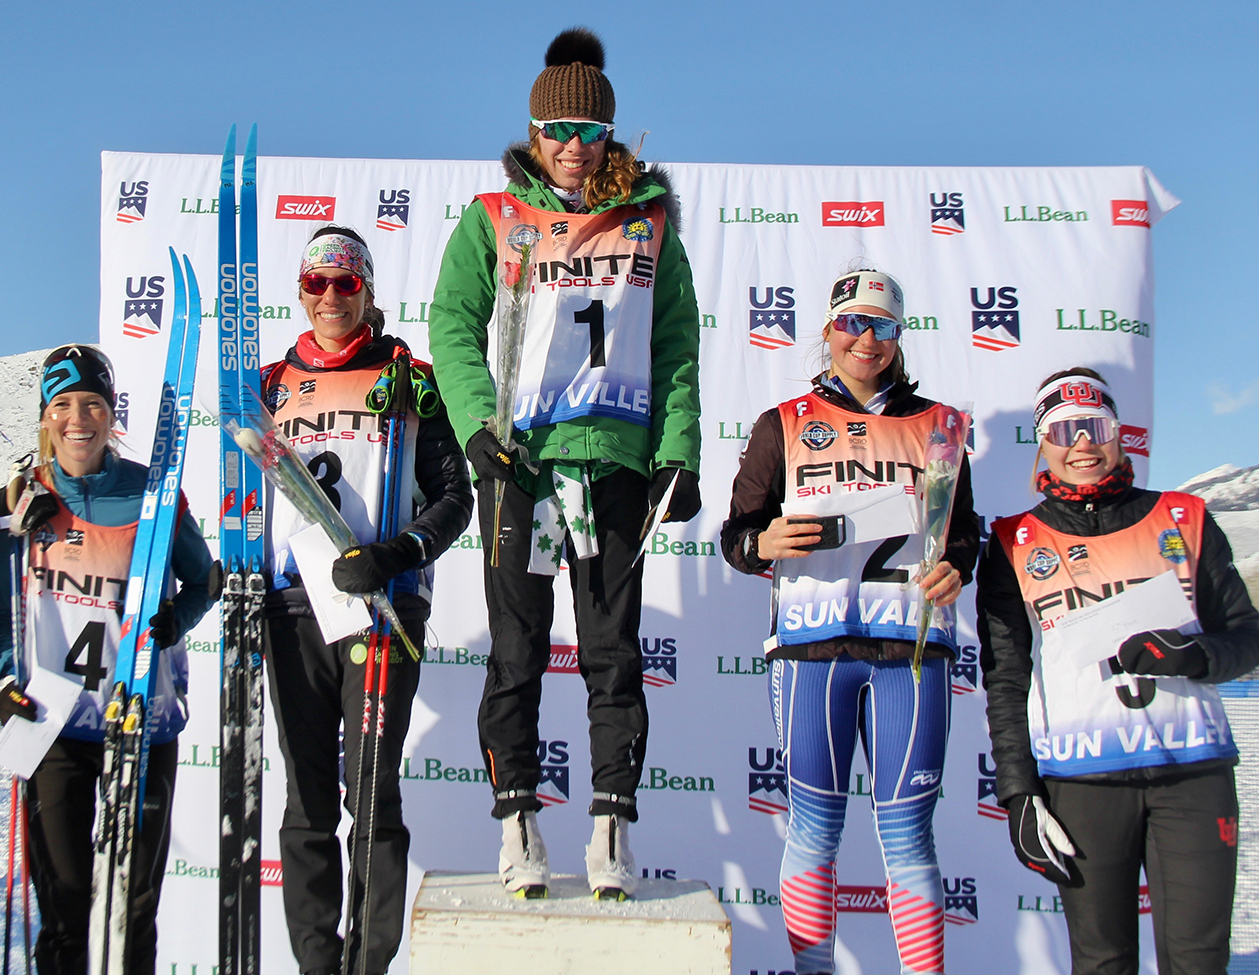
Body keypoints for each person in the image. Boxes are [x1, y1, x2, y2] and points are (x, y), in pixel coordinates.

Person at [427, 26, 703, 901]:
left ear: (611, 137)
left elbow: (676, 345)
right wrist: (478, 428)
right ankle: (518, 824)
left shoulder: (650, 220)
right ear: (533, 132)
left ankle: (611, 826)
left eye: (591, 132)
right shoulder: (496, 219)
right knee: (516, 651)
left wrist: (677, 453)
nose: (575, 148)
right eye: (559, 130)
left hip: (613, 461)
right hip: (523, 465)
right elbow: (451, 326)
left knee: (614, 653)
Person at [721, 269, 976, 975]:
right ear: (828, 332)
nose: (867, 339)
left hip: (912, 650)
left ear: (899, 337)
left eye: (883, 326)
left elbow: (963, 533)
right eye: (852, 323)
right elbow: (737, 533)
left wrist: (958, 563)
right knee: (814, 827)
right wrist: (762, 543)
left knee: (907, 833)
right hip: (813, 648)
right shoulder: (785, 422)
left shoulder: (941, 426)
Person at [979, 368, 1259, 975]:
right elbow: (1006, 680)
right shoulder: (1011, 542)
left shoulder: (1184, 517)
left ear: (1119, 435)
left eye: (1096, 426)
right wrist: (1019, 790)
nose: (1083, 443)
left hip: (1192, 774)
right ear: (1044, 444)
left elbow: (1246, 634)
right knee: (1102, 962)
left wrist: (1196, 656)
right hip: (1081, 785)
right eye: (1064, 429)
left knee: (1197, 960)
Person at [260, 226, 471, 975]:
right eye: (316, 284)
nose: (329, 298)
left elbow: (454, 497)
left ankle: (366, 965)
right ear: (300, 292)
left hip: (379, 608)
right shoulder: (267, 384)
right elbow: (240, 500)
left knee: (373, 796)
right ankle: (317, 964)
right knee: (305, 800)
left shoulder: (407, 375)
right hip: (293, 609)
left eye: (344, 284)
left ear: (368, 291)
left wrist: (395, 554)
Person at [0, 344, 214, 975]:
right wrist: (8, 676)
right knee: (62, 903)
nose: (78, 418)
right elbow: (3, 612)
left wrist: (176, 622)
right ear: (45, 416)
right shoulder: (25, 501)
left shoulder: (153, 492)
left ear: (113, 415)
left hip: (140, 719)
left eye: (93, 404)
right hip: (53, 725)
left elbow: (204, 581)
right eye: (63, 404)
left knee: (132, 907)